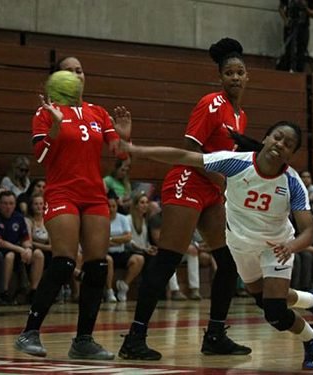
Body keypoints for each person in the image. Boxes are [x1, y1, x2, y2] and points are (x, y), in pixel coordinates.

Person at [120, 120, 313, 369]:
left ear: (291, 154)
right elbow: (184, 156)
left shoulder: (292, 182)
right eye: (277, 137)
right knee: (267, 300)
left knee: (274, 312)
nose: (280, 145)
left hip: (275, 248)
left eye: (288, 144)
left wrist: (292, 247)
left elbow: (308, 231)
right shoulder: (236, 162)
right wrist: (134, 149)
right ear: (265, 138)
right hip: (241, 247)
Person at [118, 38, 252, 360]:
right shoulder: (211, 103)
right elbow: (191, 148)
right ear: (220, 77)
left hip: (211, 189)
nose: (235, 77)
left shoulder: (241, 115)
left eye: (240, 72)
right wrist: (219, 178)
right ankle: (134, 339)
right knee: (168, 260)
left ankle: (216, 335)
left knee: (230, 261)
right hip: (187, 181)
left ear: (247, 77)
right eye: (229, 73)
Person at [14, 56, 131, 360]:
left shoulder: (98, 112)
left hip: (93, 195)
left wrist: (124, 136)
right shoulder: (45, 112)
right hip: (62, 191)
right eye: (69, 71)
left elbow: (119, 154)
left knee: (97, 265)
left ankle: (83, 340)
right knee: (64, 261)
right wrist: (55, 125)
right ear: (58, 79)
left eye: (80, 70)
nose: (76, 75)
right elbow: (41, 158)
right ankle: (29, 332)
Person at [0, 191, 42, 305]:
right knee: (10, 256)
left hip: (18, 250)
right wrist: (21, 249)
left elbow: (25, 239)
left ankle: (34, 291)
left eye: (11, 203)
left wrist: (28, 248)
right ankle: (4, 292)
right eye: (5, 203)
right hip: (0, 251)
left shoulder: (18, 217)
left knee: (38, 254)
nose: (8, 207)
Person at [105, 194, 143, 303]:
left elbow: (128, 237)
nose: (111, 209)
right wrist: (119, 239)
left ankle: (124, 286)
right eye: (109, 206)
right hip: (106, 253)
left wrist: (111, 239)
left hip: (120, 252)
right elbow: (102, 239)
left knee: (139, 259)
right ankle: (109, 291)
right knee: (108, 260)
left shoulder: (122, 218)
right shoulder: (102, 219)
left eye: (114, 206)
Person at [278, 0, 313, 73]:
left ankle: (299, 73)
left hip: (303, 27)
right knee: (288, 50)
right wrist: (285, 20)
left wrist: (305, 7)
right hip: (290, 26)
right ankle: (288, 70)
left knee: (302, 51)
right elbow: (280, 8)